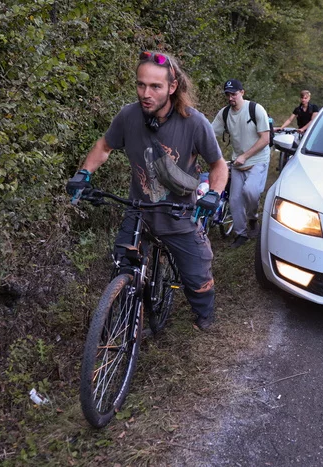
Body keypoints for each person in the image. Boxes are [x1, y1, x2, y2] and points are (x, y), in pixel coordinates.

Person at [65, 51, 228, 331]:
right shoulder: (129, 115)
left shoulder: (193, 122)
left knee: (196, 276)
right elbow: (104, 147)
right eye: (141, 84)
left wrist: (214, 193)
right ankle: (124, 312)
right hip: (139, 210)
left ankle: (204, 313)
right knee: (122, 263)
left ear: (172, 87)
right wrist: (84, 174)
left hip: (179, 215)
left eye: (155, 86)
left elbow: (218, 165)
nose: (146, 93)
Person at [211, 79, 271, 248]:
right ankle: (241, 234)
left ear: (242, 92)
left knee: (250, 191)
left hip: (258, 160)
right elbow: (209, 133)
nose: (231, 98)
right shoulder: (224, 114)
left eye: (234, 94)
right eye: (228, 94)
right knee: (235, 200)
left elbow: (265, 139)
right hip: (238, 163)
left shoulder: (255, 109)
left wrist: (245, 155)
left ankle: (252, 218)